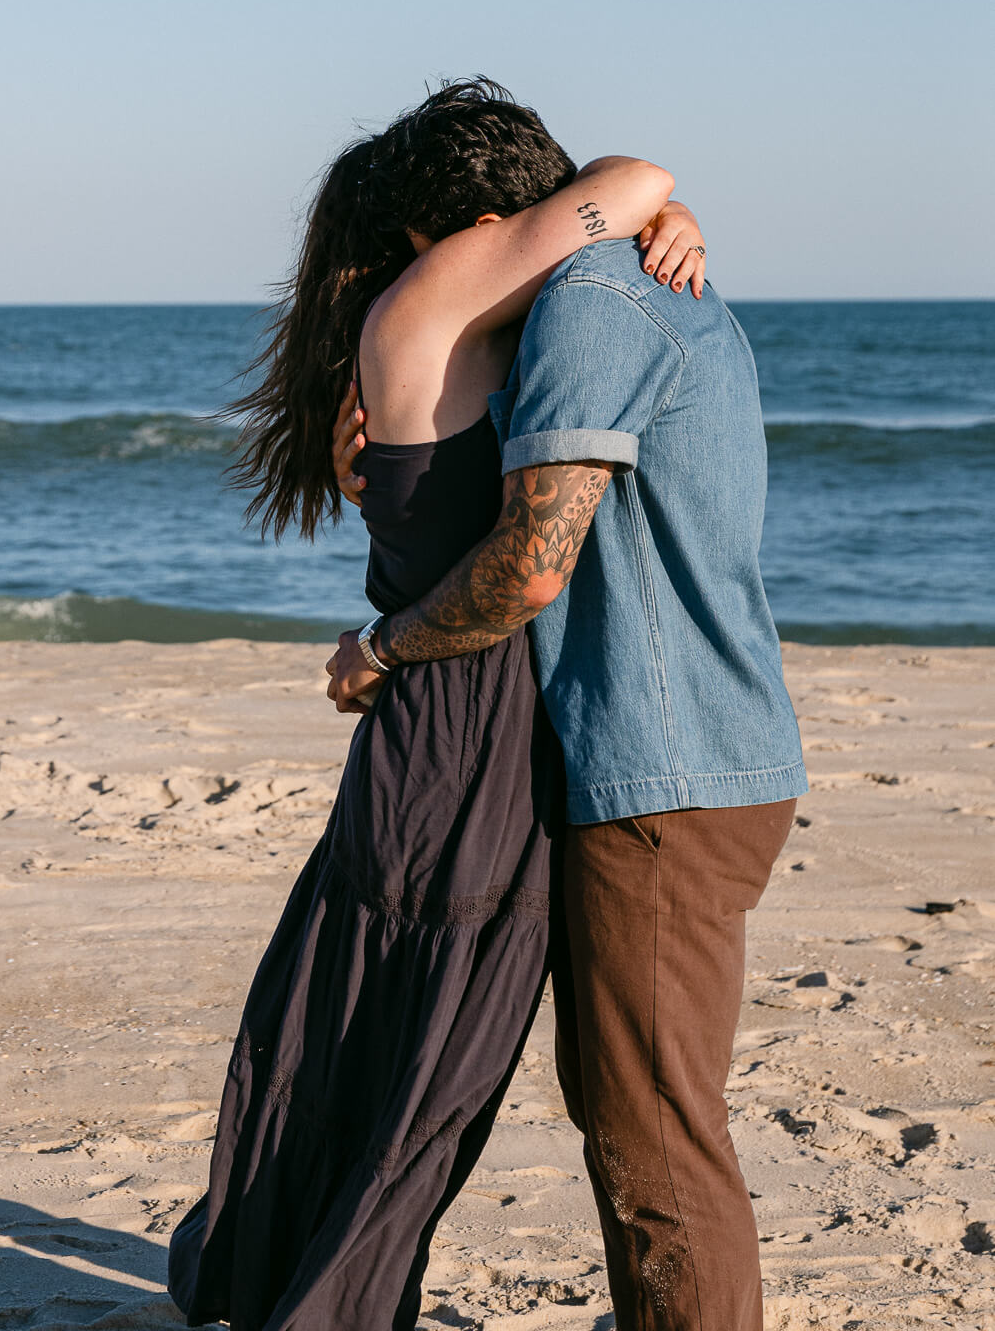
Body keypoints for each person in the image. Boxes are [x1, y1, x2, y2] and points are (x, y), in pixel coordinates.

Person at [168, 79, 707, 1331]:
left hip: (441, 719)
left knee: (379, 1032)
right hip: (468, 722)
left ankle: (295, 1285)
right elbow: (635, 175)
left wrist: (665, 220)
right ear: (474, 224)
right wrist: (665, 212)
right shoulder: (446, 287)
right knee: (421, 1053)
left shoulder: (423, 310)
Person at [326, 110, 807, 1331]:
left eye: (436, 255)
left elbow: (531, 565)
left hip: (664, 768)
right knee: (626, 1104)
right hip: (695, 753)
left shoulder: (591, 304)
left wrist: (383, 645)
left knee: (658, 1138)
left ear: (492, 230)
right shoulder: (631, 281)